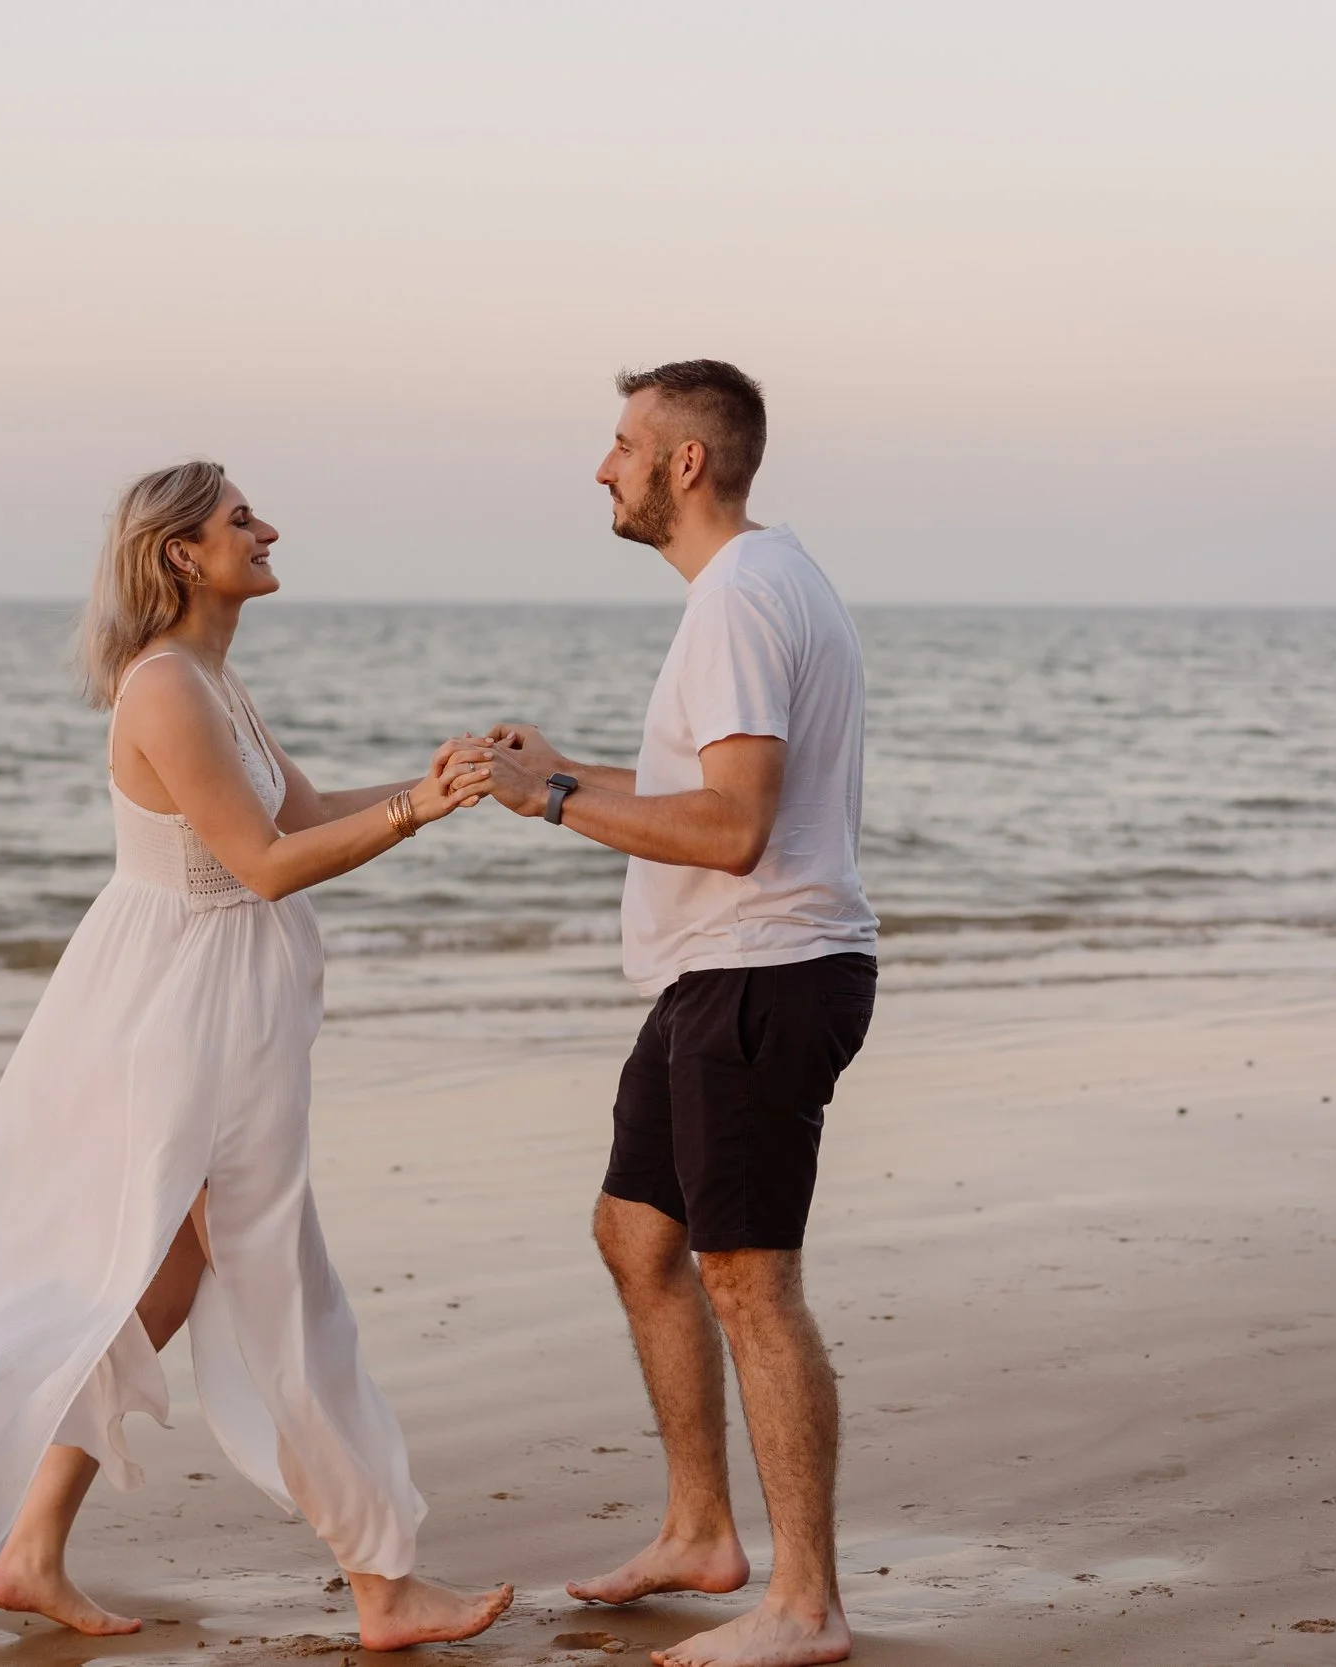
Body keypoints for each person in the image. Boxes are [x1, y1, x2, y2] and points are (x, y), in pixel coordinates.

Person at [0, 460, 513, 1650]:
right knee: (283, 1283)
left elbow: (301, 808)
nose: (268, 527)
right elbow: (265, 866)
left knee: (166, 1274)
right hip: (185, 1014)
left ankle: (30, 1547)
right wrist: (415, 818)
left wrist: (438, 781)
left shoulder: (213, 679)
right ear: (180, 553)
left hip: (216, 1001)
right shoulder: (166, 689)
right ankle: (383, 1581)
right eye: (241, 518)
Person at [473, 362, 877, 1667]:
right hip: (712, 977)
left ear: (684, 463)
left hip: (764, 974)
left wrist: (549, 795)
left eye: (621, 444)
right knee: (637, 1234)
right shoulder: (751, 587)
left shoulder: (744, 600)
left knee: (750, 1281)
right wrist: (562, 773)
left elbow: (736, 826)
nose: (604, 467)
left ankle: (805, 1601)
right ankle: (704, 1526)